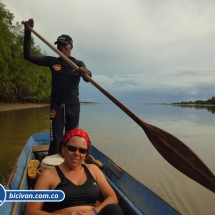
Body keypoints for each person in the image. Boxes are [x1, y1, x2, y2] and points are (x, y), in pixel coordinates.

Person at [23, 18, 92, 155]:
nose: (61, 47)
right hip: (56, 106)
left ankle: (70, 164)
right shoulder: (52, 61)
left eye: (64, 44)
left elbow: (88, 78)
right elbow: (28, 56)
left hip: (73, 106)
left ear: (71, 46)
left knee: (72, 138)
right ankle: (53, 166)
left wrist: (85, 72)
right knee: (56, 139)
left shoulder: (78, 63)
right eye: (58, 44)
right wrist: (27, 33)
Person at [25, 128, 124, 215]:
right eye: (72, 148)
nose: (77, 153)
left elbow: (112, 197)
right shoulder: (48, 175)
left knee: (113, 209)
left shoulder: (93, 170)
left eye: (82, 151)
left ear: (86, 154)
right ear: (63, 149)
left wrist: (94, 211)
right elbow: (31, 211)